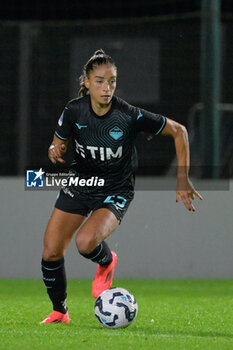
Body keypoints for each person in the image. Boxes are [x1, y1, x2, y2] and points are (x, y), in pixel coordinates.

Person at [40, 49, 203, 324]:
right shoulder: (73, 110)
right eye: (101, 81)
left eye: (112, 81)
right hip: (81, 184)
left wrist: (182, 177)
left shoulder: (128, 115)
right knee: (51, 252)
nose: (107, 88)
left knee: (85, 242)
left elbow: (179, 130)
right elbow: (58, 144)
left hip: (115, 189)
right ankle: (60, 311)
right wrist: (55, 149)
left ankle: (106, 261)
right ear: (88, 83)